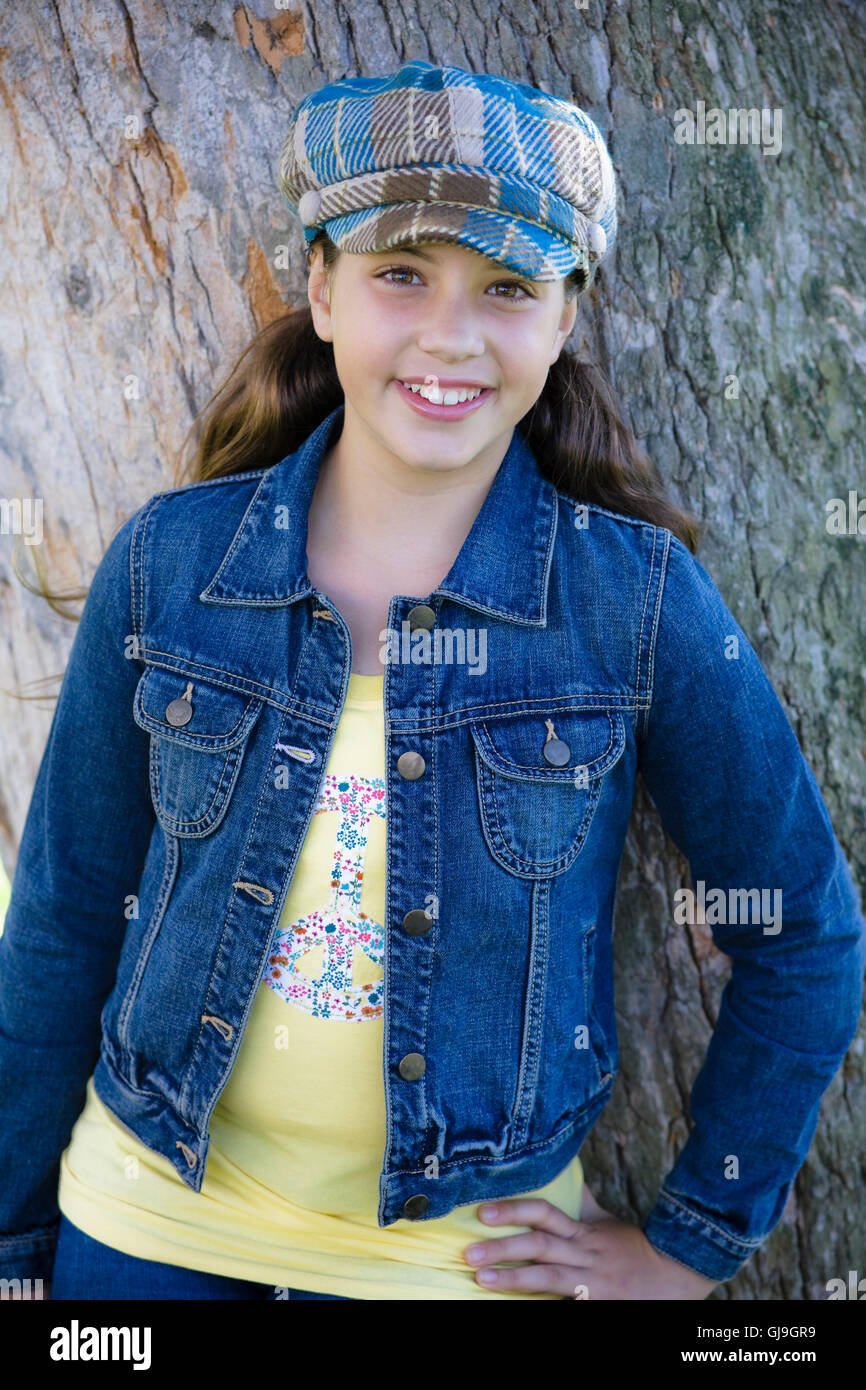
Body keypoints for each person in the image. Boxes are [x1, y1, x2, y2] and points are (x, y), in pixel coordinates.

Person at [1, 61, 863, 1302]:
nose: (449, 334)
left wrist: (690, 1241)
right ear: (322, 290)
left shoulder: (633, 605)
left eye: (507, 287)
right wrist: (18, 1254)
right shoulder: (172, 564)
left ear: (564, 319)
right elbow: (66, 919)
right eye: (400, 272)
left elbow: (800, 930)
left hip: (458, 1267)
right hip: (145, 1242)